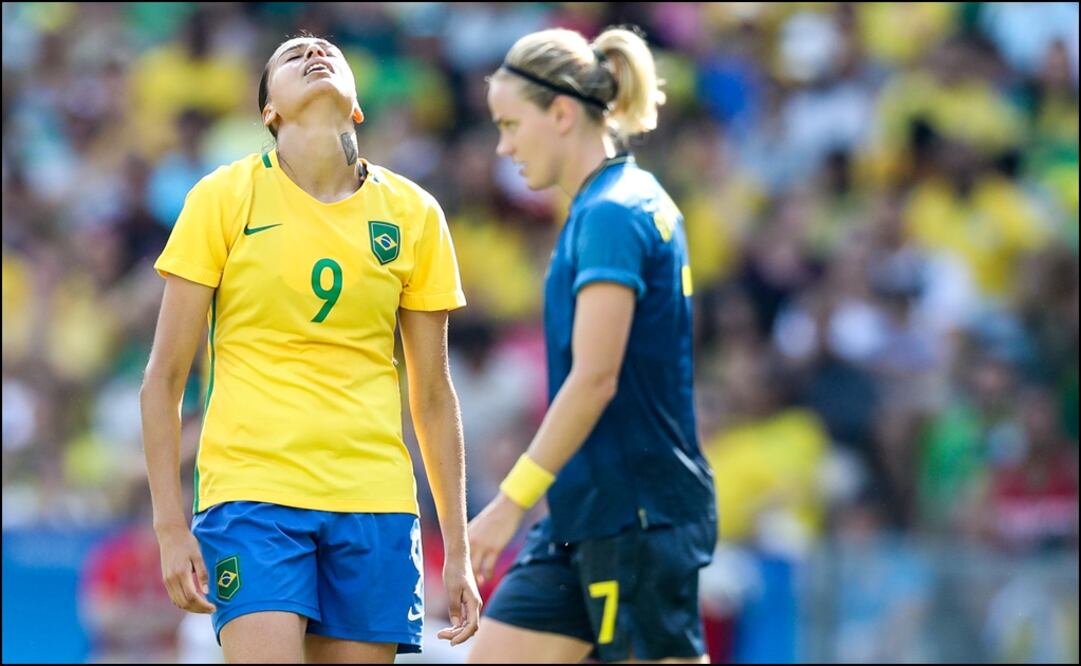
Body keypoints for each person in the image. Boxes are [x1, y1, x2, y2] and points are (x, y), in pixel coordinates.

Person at [140, 34, 481, 664]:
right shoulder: (223, 197)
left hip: (374, 499)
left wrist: (455, 549)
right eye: (292, 56)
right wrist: (169, 526)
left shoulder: (415, 214)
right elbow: (164, 377)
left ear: (357, 107)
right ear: (269, 112)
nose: (314, 52)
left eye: (327, 50)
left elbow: (433, 396)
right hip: (252, 492)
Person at [467, 26, 716, 664]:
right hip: (585, 516)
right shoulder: (614, 204)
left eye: (511, 124)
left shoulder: (611, 214)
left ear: (561, 112)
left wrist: (507, 504)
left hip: (636, 521)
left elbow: (595, 379)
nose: (503, 146)